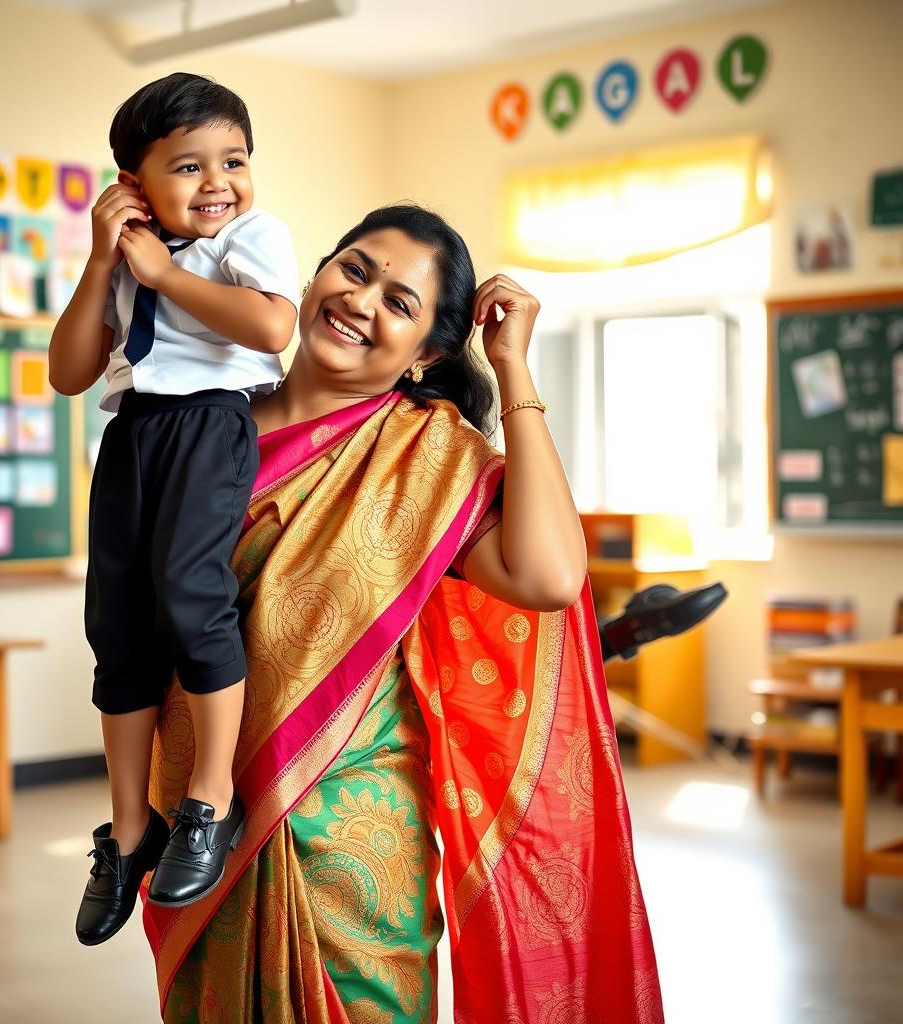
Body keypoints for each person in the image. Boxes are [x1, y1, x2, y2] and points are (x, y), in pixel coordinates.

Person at [141, 204, 664, 1022]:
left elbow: (551, 575)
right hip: (197, 820)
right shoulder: (205, 421)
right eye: (355, 270)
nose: (362, 301)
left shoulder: (428, 456)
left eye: (399, 302)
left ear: (426, 355)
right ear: (315, 275)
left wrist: (515, 371)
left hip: (350, 837)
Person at [48, 72, 299, 945]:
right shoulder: (125, 253)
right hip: (133, 435)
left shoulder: (250, 234)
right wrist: (104, 263)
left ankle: (210, 798)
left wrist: (163, 271)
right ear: (134, 184)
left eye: (233, 159)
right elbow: (70, 372)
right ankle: (129, 831)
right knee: (115, 626)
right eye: (188, 167)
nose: (218, 181)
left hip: (207, 425)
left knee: (192, 601)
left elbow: (272, 330)